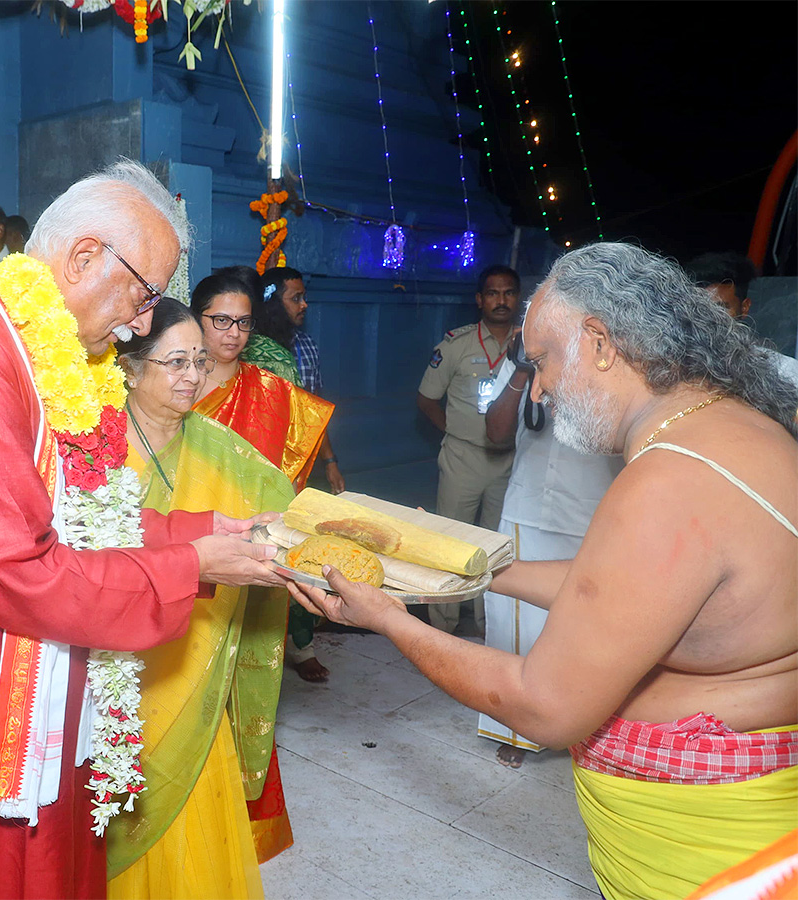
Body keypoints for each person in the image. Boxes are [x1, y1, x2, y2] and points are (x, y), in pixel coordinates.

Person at [288, 242, 798, 900]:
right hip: (749, 807)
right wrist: (470, 568)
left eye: (544, 361)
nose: (542, 386)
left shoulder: (668, 482)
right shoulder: (743, 426)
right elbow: (623, 597)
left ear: (600, 342)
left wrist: (388, 617)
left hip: (703, 851)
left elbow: (544, 706)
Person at [0, 159, 285, 900]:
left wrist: (214, 533)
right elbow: (21, 570)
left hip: (25, 686)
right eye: (146, 296)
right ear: (83, 257)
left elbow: (81, 514)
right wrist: (190, 566)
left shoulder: (33, 358)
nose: (144, 323)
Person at [107, 298, 294, 900]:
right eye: (175, 362)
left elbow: (270, 512)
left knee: (191, 783)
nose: (192, 376)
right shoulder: (91, 443)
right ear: (131, 368)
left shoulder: (224, 452)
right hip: (112, 657)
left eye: (198, 362)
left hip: (194, 655)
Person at [190, 267, 333, 854]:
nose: (231, 333)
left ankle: (244, 818)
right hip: (185, 555)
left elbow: (287, 482)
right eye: (219, 320)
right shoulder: (166, 381)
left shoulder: (271, 394)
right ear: (195, 319)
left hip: (250, 558)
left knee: (244, 685)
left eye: (242, 322)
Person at [476, 326, 621, 768]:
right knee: (513, 626)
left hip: (593, 511)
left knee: (582, 626)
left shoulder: (615, 363)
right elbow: (496, 432)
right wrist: (524, 367)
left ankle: (584, 728)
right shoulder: (522, 362)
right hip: (527, 504)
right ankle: (516, 728)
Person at [416, 263, 519, 634]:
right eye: (493, 293)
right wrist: (453, 432)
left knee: (497, 548)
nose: (501, 300)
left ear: (517, 298)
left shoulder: (529, 346)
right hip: (463, 457)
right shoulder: (456, 345)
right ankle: (442, 626)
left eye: (508, 292)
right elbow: (427, 399)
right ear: (479, 299)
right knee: (451, 543)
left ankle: (488, 624)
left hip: (509, 461)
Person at [255, 266, 346, 495]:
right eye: (296, 298)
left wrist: (329, 461)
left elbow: (313, 412)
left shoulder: (307, 345)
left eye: (304, 297)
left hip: (302, 461)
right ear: (273, 303)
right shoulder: (249, 347)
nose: (304, 305)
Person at [686, 251, 798, 389]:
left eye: (721, 309)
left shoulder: (782, 372)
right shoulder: (670, 371)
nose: (709, 318)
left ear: (744, 307)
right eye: (700, 309)